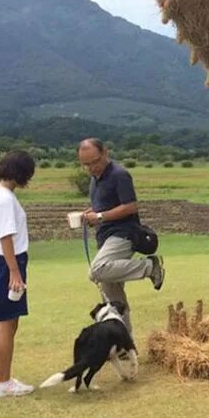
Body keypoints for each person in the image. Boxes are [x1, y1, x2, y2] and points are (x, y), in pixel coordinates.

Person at [78, 138, 164, 332]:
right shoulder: (95, 179)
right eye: (86, 164)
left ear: (105, 153)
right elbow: (104, 206)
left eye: (95, 162)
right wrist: (88, 214)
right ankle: (123, 340)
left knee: (97, 270)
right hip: (105, 236)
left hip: (123, 234)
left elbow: (131, 206)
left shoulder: (119, 175)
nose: (91, 168)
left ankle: (150, 266)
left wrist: (99, 216)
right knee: (112, 295)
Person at [0, 150, 36, 398]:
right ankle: (3, 382)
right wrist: (14, 272)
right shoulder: (7, 199)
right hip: (6, 265)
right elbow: (6, 237)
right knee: (7, 324)